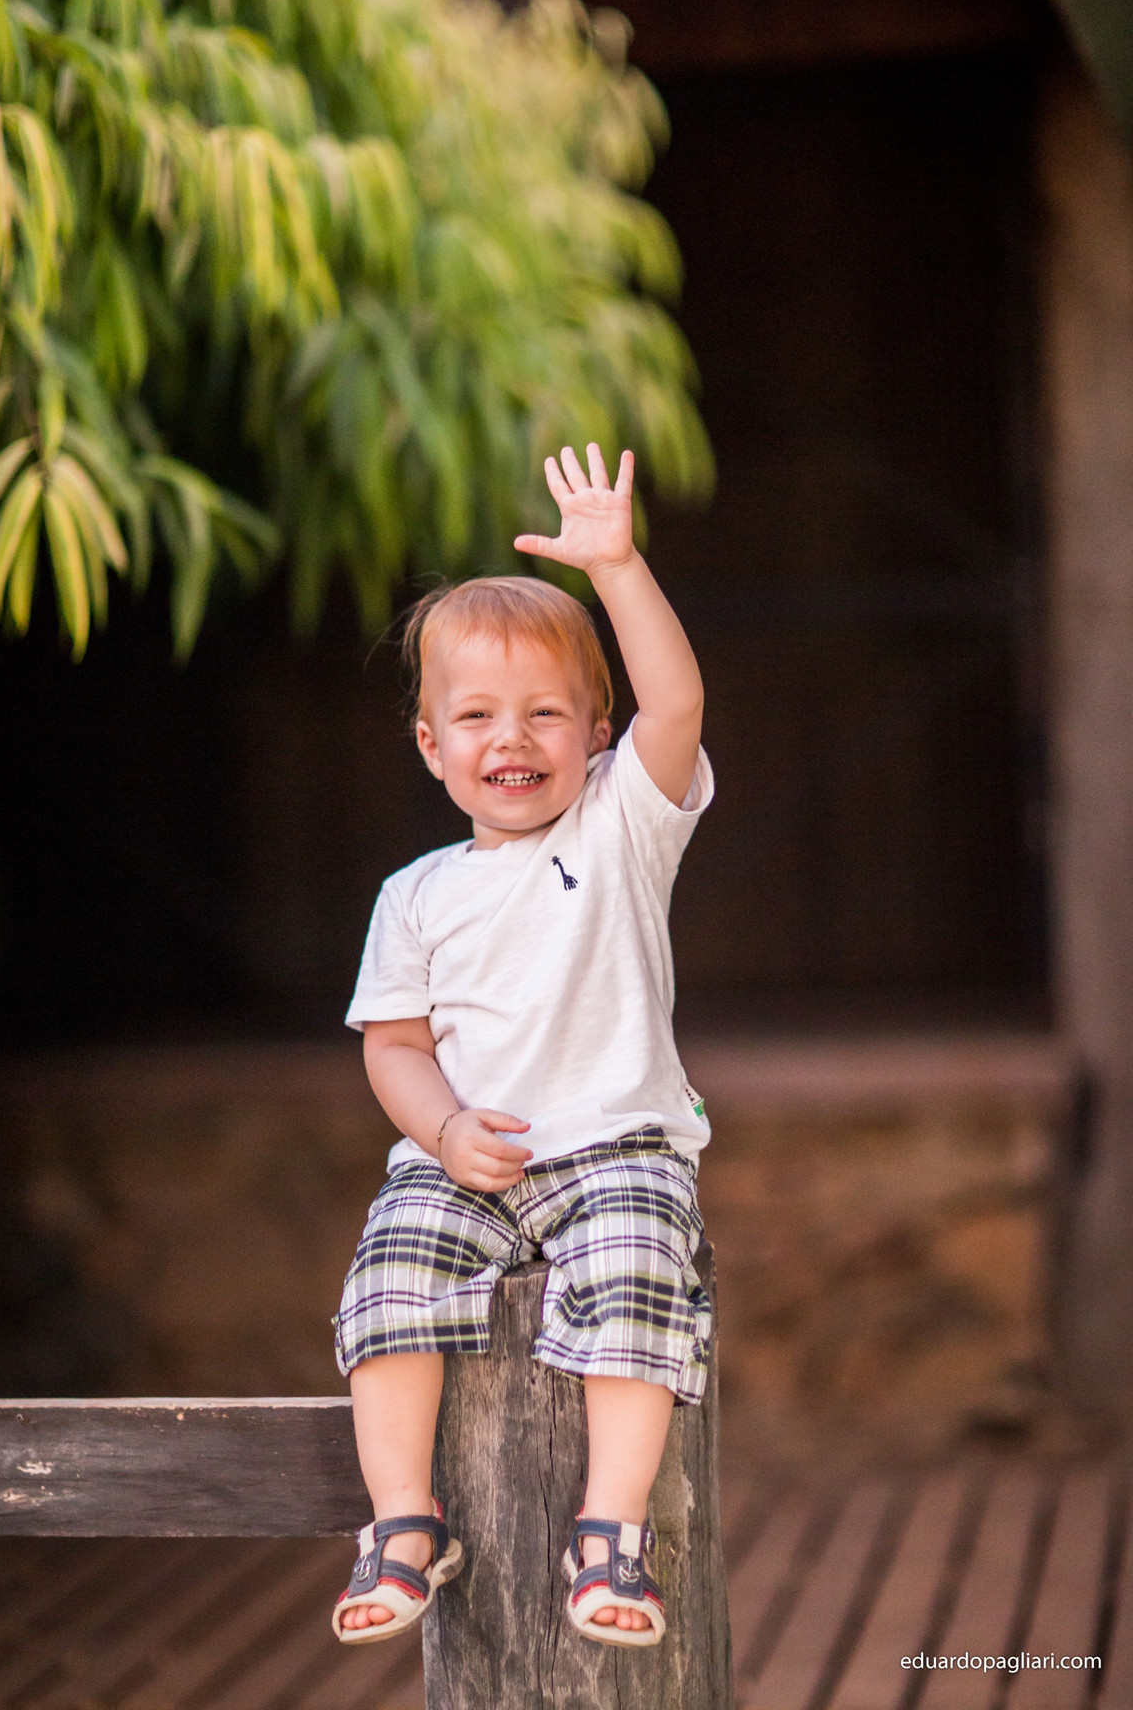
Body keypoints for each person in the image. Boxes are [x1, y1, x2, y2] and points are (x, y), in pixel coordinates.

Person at [331, 442, 713, 1650]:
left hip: (617, 1151)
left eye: (547, 711)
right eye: (478, 715)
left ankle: (612, 1534)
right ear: (432, 746)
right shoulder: (417, 894)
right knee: (391, 1279)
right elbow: (392, 1047)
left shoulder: (621, 828)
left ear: (596, 733)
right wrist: (441, 1129)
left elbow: (681, 701)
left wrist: (615, 565)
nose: (515, 736)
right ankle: (402, 1521)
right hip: (465, 1160)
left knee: (640, 1276)